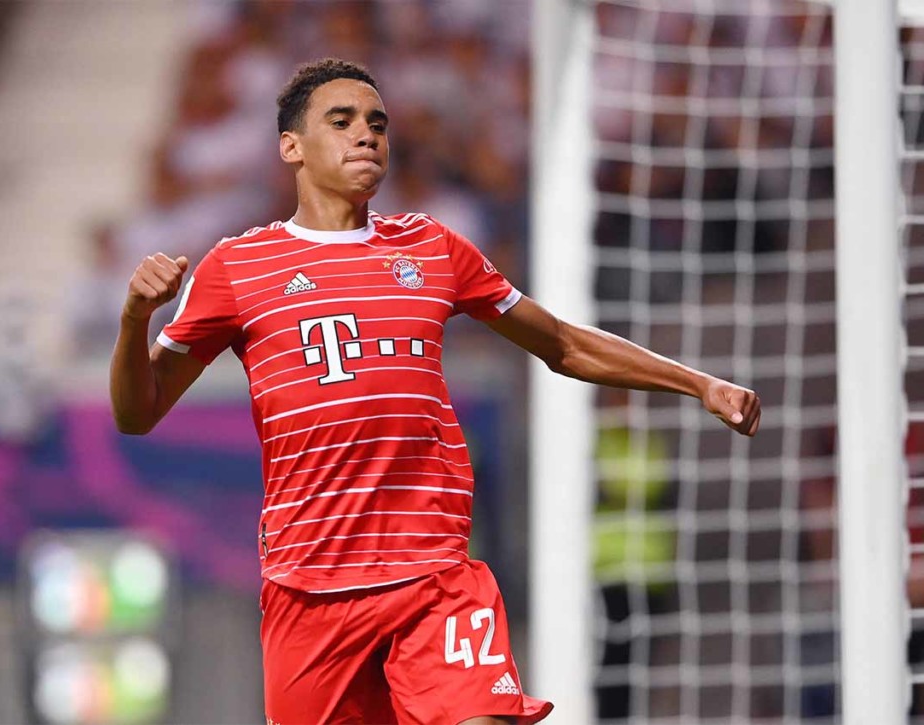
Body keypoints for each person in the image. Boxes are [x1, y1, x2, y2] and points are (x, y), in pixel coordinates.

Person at [110, 58, 761, 725]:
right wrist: (135, 319)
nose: (366, 134)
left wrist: (697, 382)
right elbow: (138, 411)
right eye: (342, 121)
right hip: (310, 583)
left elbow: (561, 342)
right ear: (291, 146)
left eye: (377, 123)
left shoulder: (431, 247)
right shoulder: (237, 267)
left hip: (433, 576)